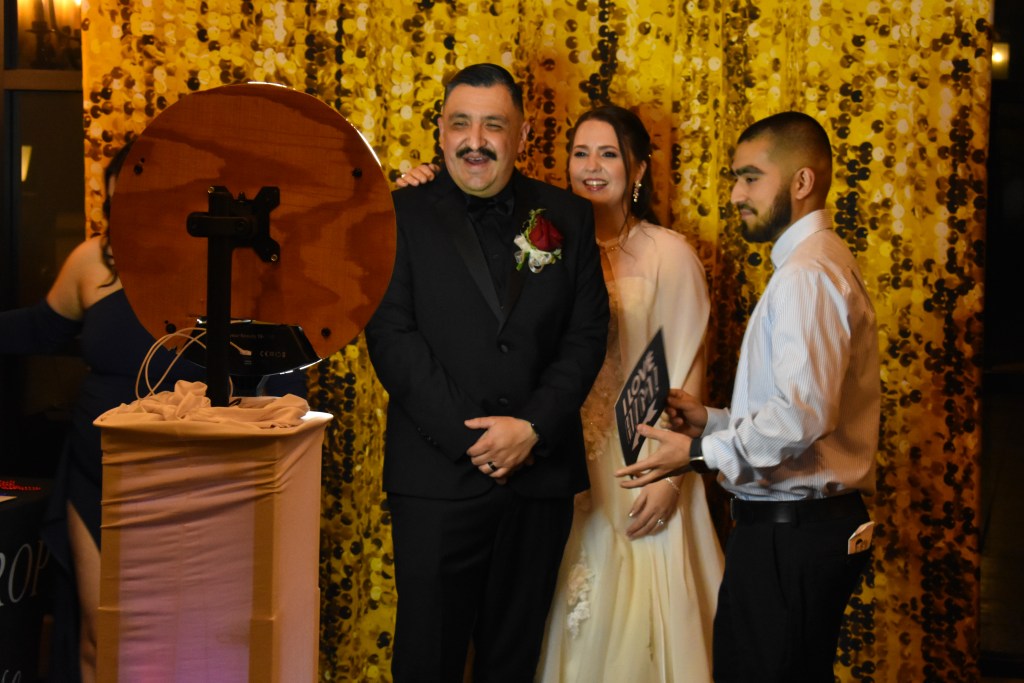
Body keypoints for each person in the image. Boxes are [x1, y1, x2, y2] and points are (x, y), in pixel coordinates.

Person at [397, 104, 724, 681]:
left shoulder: (670, 255)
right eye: (580, 153)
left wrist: (672, 475)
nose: (592, 167)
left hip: (632, 458)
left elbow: (686, 373)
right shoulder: (549, 226)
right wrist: (426, 178)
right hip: (555, 456)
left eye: (609, 154)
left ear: (639, 169)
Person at [0, 143, 305, 683]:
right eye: (115, 205)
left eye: (138, 204)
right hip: (96, 471)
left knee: (186, 636)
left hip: (191, 475)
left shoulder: (225, 268)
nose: (124, 219)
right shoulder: (94, 261)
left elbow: (280, 367)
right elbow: (41, 329)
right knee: (102, 632)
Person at [364, 63, 609, 683]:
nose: (476, 139)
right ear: (441, 132)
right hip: (437, 479)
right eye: (460, 123)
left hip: (539, 479)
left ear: (522, 136)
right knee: (427, 660)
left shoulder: (568, 218)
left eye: (493, 125)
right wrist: (476, 440)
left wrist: (532, 427)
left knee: (513, 659)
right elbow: (391, 338)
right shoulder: (396, 214)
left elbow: (585, 338)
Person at [617, 111, 880, 682]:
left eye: (750, 177)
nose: (736, 194)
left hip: (794, 534)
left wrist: (692, 456)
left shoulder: (807, 275)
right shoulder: (814, 263)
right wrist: (709, 422)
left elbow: (799, 418)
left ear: (802, 182)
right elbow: (798, 410)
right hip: (796, 530)